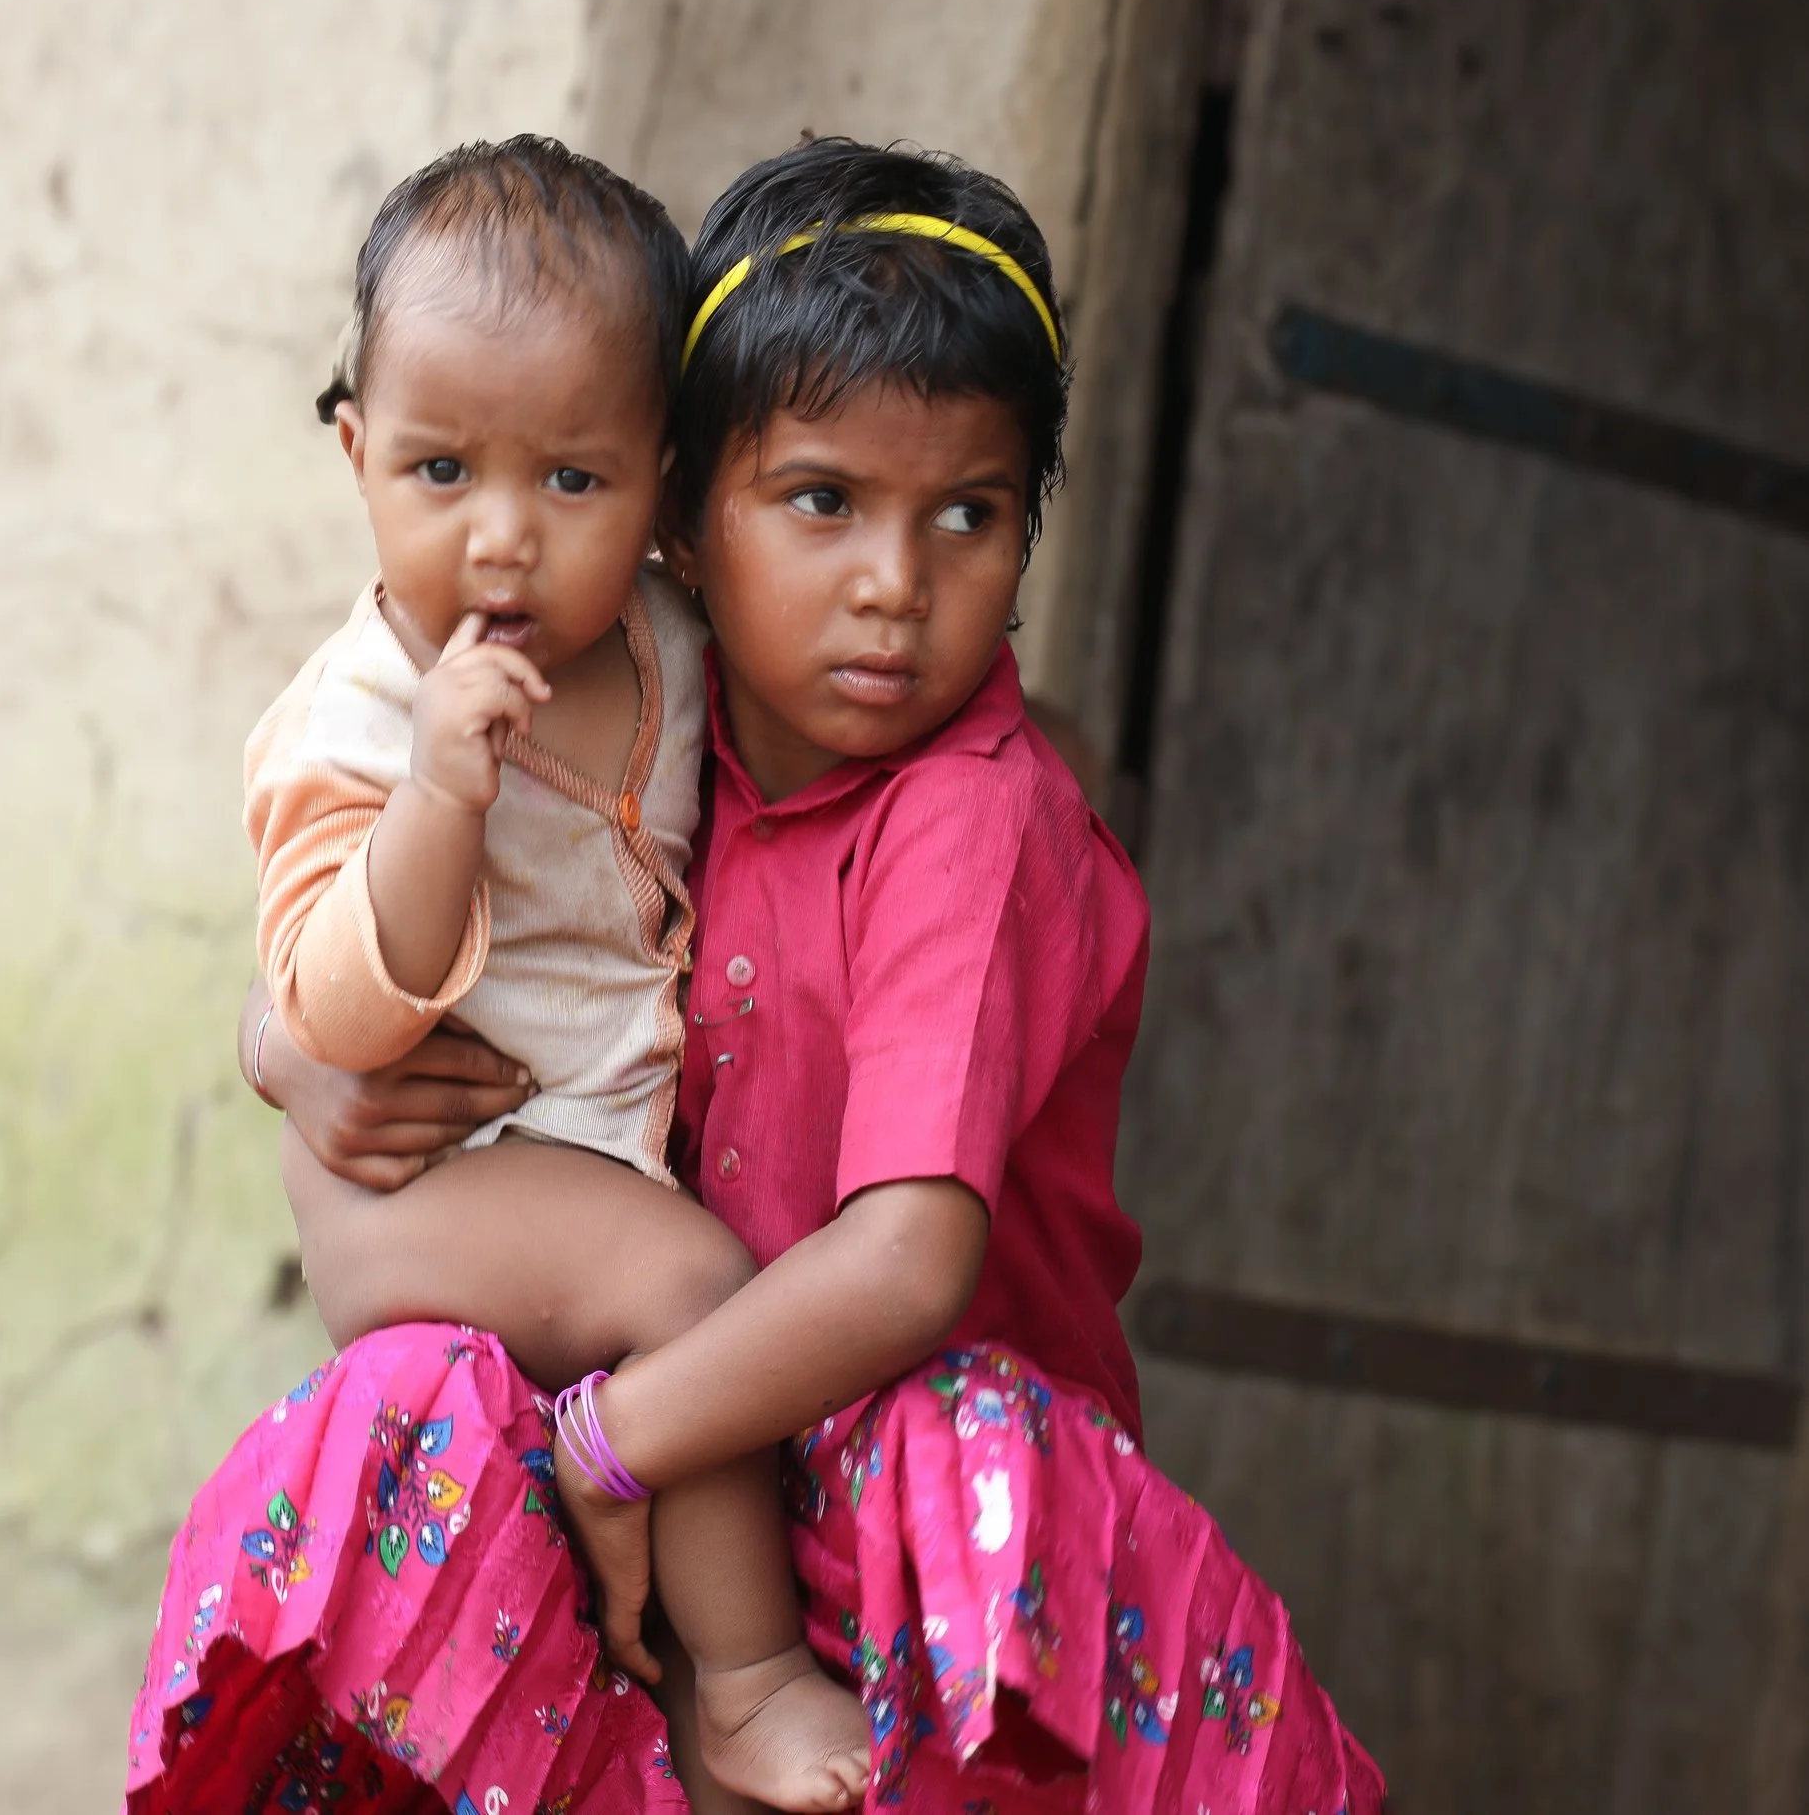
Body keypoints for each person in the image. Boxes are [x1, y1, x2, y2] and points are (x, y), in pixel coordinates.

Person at [130, 137, 1387, 1815]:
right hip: (699, 1453)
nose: (893, 586)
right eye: (821, 502)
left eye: (970, 515)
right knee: (407, 1449)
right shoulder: (661, 705)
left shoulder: (965, 818)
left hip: (915, 1524)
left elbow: (909, 1261)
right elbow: (379, 902)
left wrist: (609, 1444)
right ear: (685, 516)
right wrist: (285, 1045)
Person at [152, 133, 873, 1815]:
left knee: (693, 1340)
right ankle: (750, 1685)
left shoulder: (668, 639)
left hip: (582, 1150)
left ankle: (678, 1707)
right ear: (357, 456)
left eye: (571, 481)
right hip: (429, 1178)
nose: (502, 538)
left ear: (661, 478)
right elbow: (337, 1011)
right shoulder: (358, 719)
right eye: (440, 471)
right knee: (698, 1297)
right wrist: (437, 800)